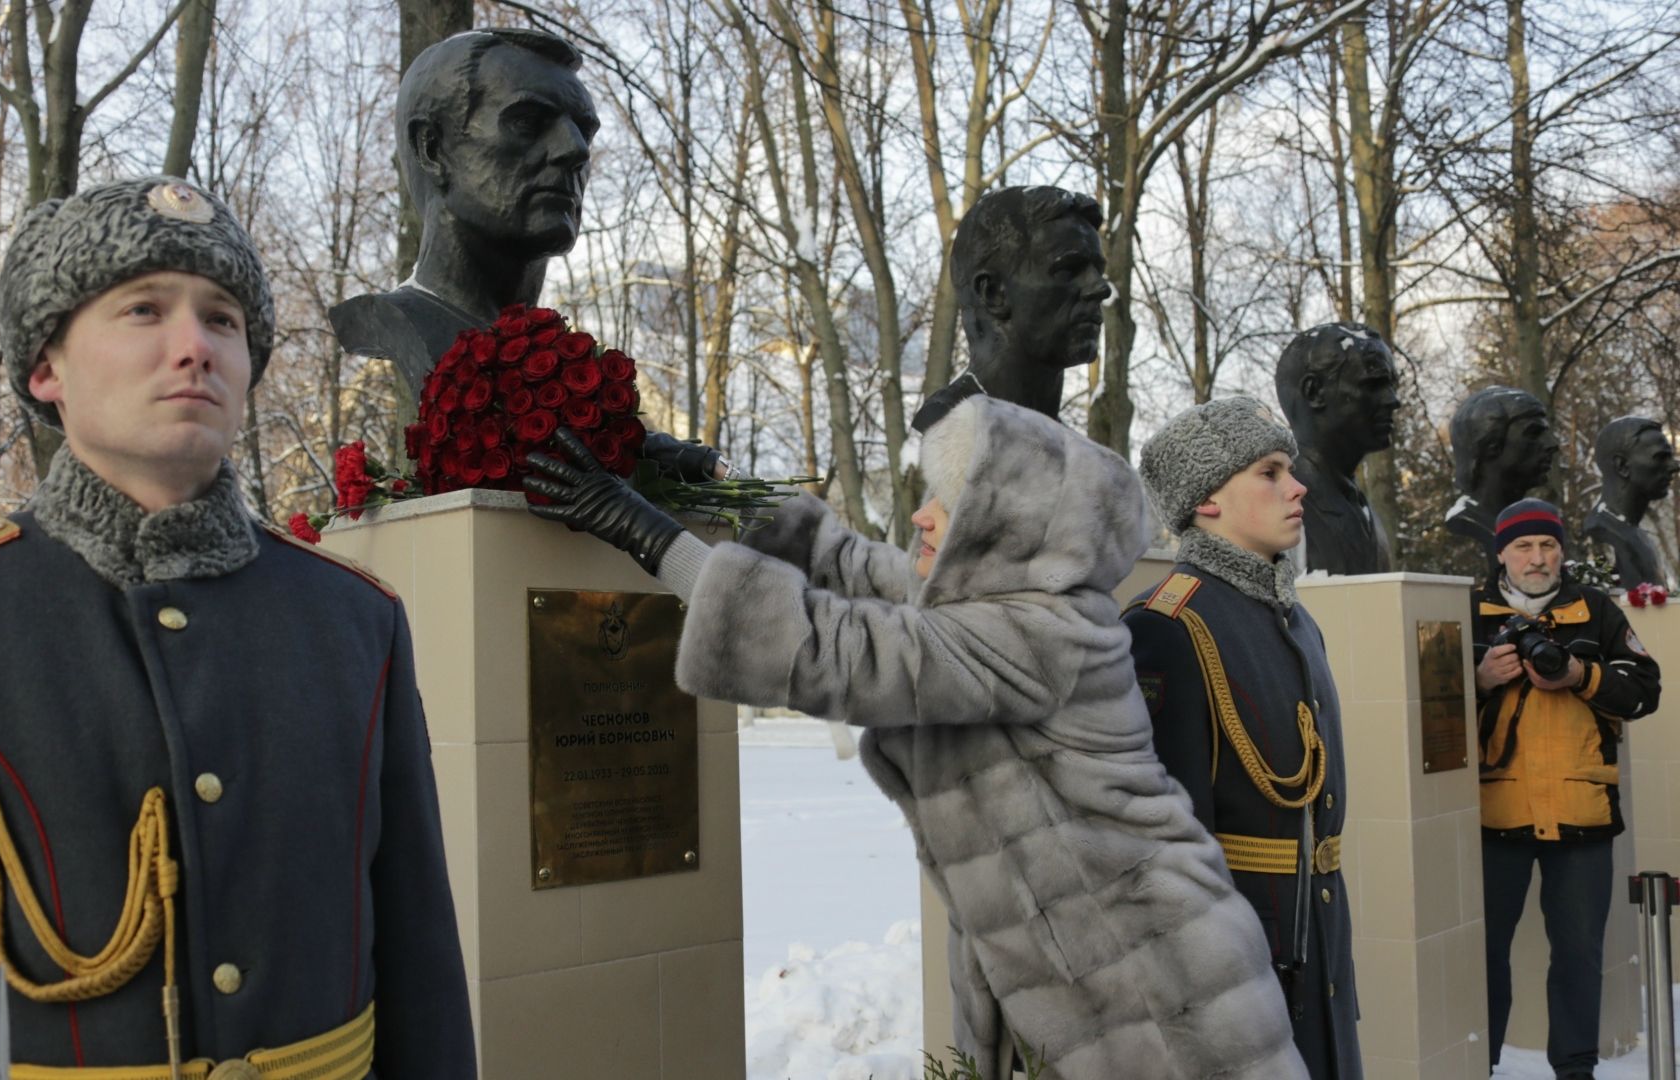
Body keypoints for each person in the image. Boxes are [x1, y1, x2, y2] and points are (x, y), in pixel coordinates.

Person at [0, 177, 476, 1078]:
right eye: (144, 309)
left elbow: (420, 975)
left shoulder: (353, 620)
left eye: (223, 320)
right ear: (44, 368)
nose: (194, 348)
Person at [522, 386, 1307, 1079]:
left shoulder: (1048, 632)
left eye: (950, 506)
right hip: (1081, 989)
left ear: (1004, 532)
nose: (923, 518)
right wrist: (728, 492)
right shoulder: (992, 602)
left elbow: (844, 650)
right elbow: (856, 567)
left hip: (1166, 997)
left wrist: (649, 536)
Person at [1124, 397, 1359, 1079]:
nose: (1297, 487)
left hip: (1316, 956)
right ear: (1206, 502)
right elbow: (1163, 854)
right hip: (1240, 976)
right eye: (1270, 471)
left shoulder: (1293, 620)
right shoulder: (1166, 627)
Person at [1474, 498, 1660, 1080]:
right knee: (1484, 955)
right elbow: (1423, 705)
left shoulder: (1596, 610)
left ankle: (1575, 1069)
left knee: (1579, 955)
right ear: (1501, 552)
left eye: (1549, 545)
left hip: (1583, 812)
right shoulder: (1466, 613)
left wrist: (1581, 675)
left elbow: (1645, 690)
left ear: (1562, 551)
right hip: (1493, 813)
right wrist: (1478, 679)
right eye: (1525, 546)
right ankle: (1482, 1061)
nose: (1538, 558)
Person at [329, 27, 597, 415]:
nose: (575, 151)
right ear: (432, 149)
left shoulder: (576, 376)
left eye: (584, 133)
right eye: (527, 122)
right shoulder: (402, 323)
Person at [928, 185, 1110, 422]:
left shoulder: (1074, 453)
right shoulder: (950, 428)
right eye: (1069, 269)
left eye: (1098, 271)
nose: (1101, 288)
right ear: (993, 293)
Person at [1273, 322, 1400, 575]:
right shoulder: (1282, 506)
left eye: (1392, 386)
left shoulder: (1361, 507)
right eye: (1373, 385)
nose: (1393, 400)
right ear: (1314, 392)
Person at [1445, 385, 1559, 585]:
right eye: (1533, 433)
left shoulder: (1539, 529)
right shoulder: (1469, 531)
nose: (1552, 444)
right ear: (1491, 445)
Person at [1581, 416, 1679, 590]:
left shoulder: (1638, 536)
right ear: (1622, 466)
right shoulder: (1601, 535)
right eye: (1660, 457)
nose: (1674, 466)